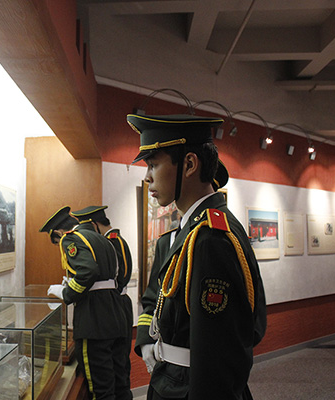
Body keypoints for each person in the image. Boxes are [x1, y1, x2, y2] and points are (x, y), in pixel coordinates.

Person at [128, 113, 267, 400]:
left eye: (153, 164)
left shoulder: (210, 240)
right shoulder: (191, 232)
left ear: (189, 165)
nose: (147, 176)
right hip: (173, 380)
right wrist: (147, 342)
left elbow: (218, 356)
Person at [40, 206, 131, 400]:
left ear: (59, 232)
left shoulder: (71, 239)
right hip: (115, 313)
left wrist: (67, 293)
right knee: (119, 382)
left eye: (57, 242)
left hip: (93, 321)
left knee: (101, 390)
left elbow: (88, 271)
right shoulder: (102, 239)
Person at [70, 205, 134, 397]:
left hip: (116, 304)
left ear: (94, 224)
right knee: (116, 370)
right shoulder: (108, 240)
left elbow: (121, 277)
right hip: (114, 305)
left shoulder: (113, 241)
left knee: (118, 369)